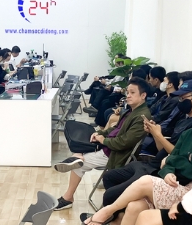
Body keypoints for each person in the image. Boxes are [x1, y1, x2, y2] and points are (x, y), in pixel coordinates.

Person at [82, 95, 192, 225]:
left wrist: (171, 159)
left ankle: (108, 212)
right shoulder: (191, 132)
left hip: (187, 188)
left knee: (122, 191)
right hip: (166, 174)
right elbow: (170, 160)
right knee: (113, 179)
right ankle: (116, 221)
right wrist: (169, 169)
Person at [54, 77, 152, 211]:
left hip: (114, 154)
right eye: (128, 92)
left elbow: (124, 143)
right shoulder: (132, 111)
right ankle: (78, 153)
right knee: (82, 139)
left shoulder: (141, 117)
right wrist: (101, 133)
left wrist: (103, 140)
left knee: (78, 165)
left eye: (132, 92)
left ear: (143, 95)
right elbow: (116, 128)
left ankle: (68, 198)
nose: (128, 95)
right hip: (109, 146)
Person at [140, 79, 192, 156]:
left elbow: (179, 155)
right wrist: (154, 132)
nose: (180, 101)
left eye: (183, 98)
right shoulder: (182, 121)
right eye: (180, 98)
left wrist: (158, 135)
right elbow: (162, 150)